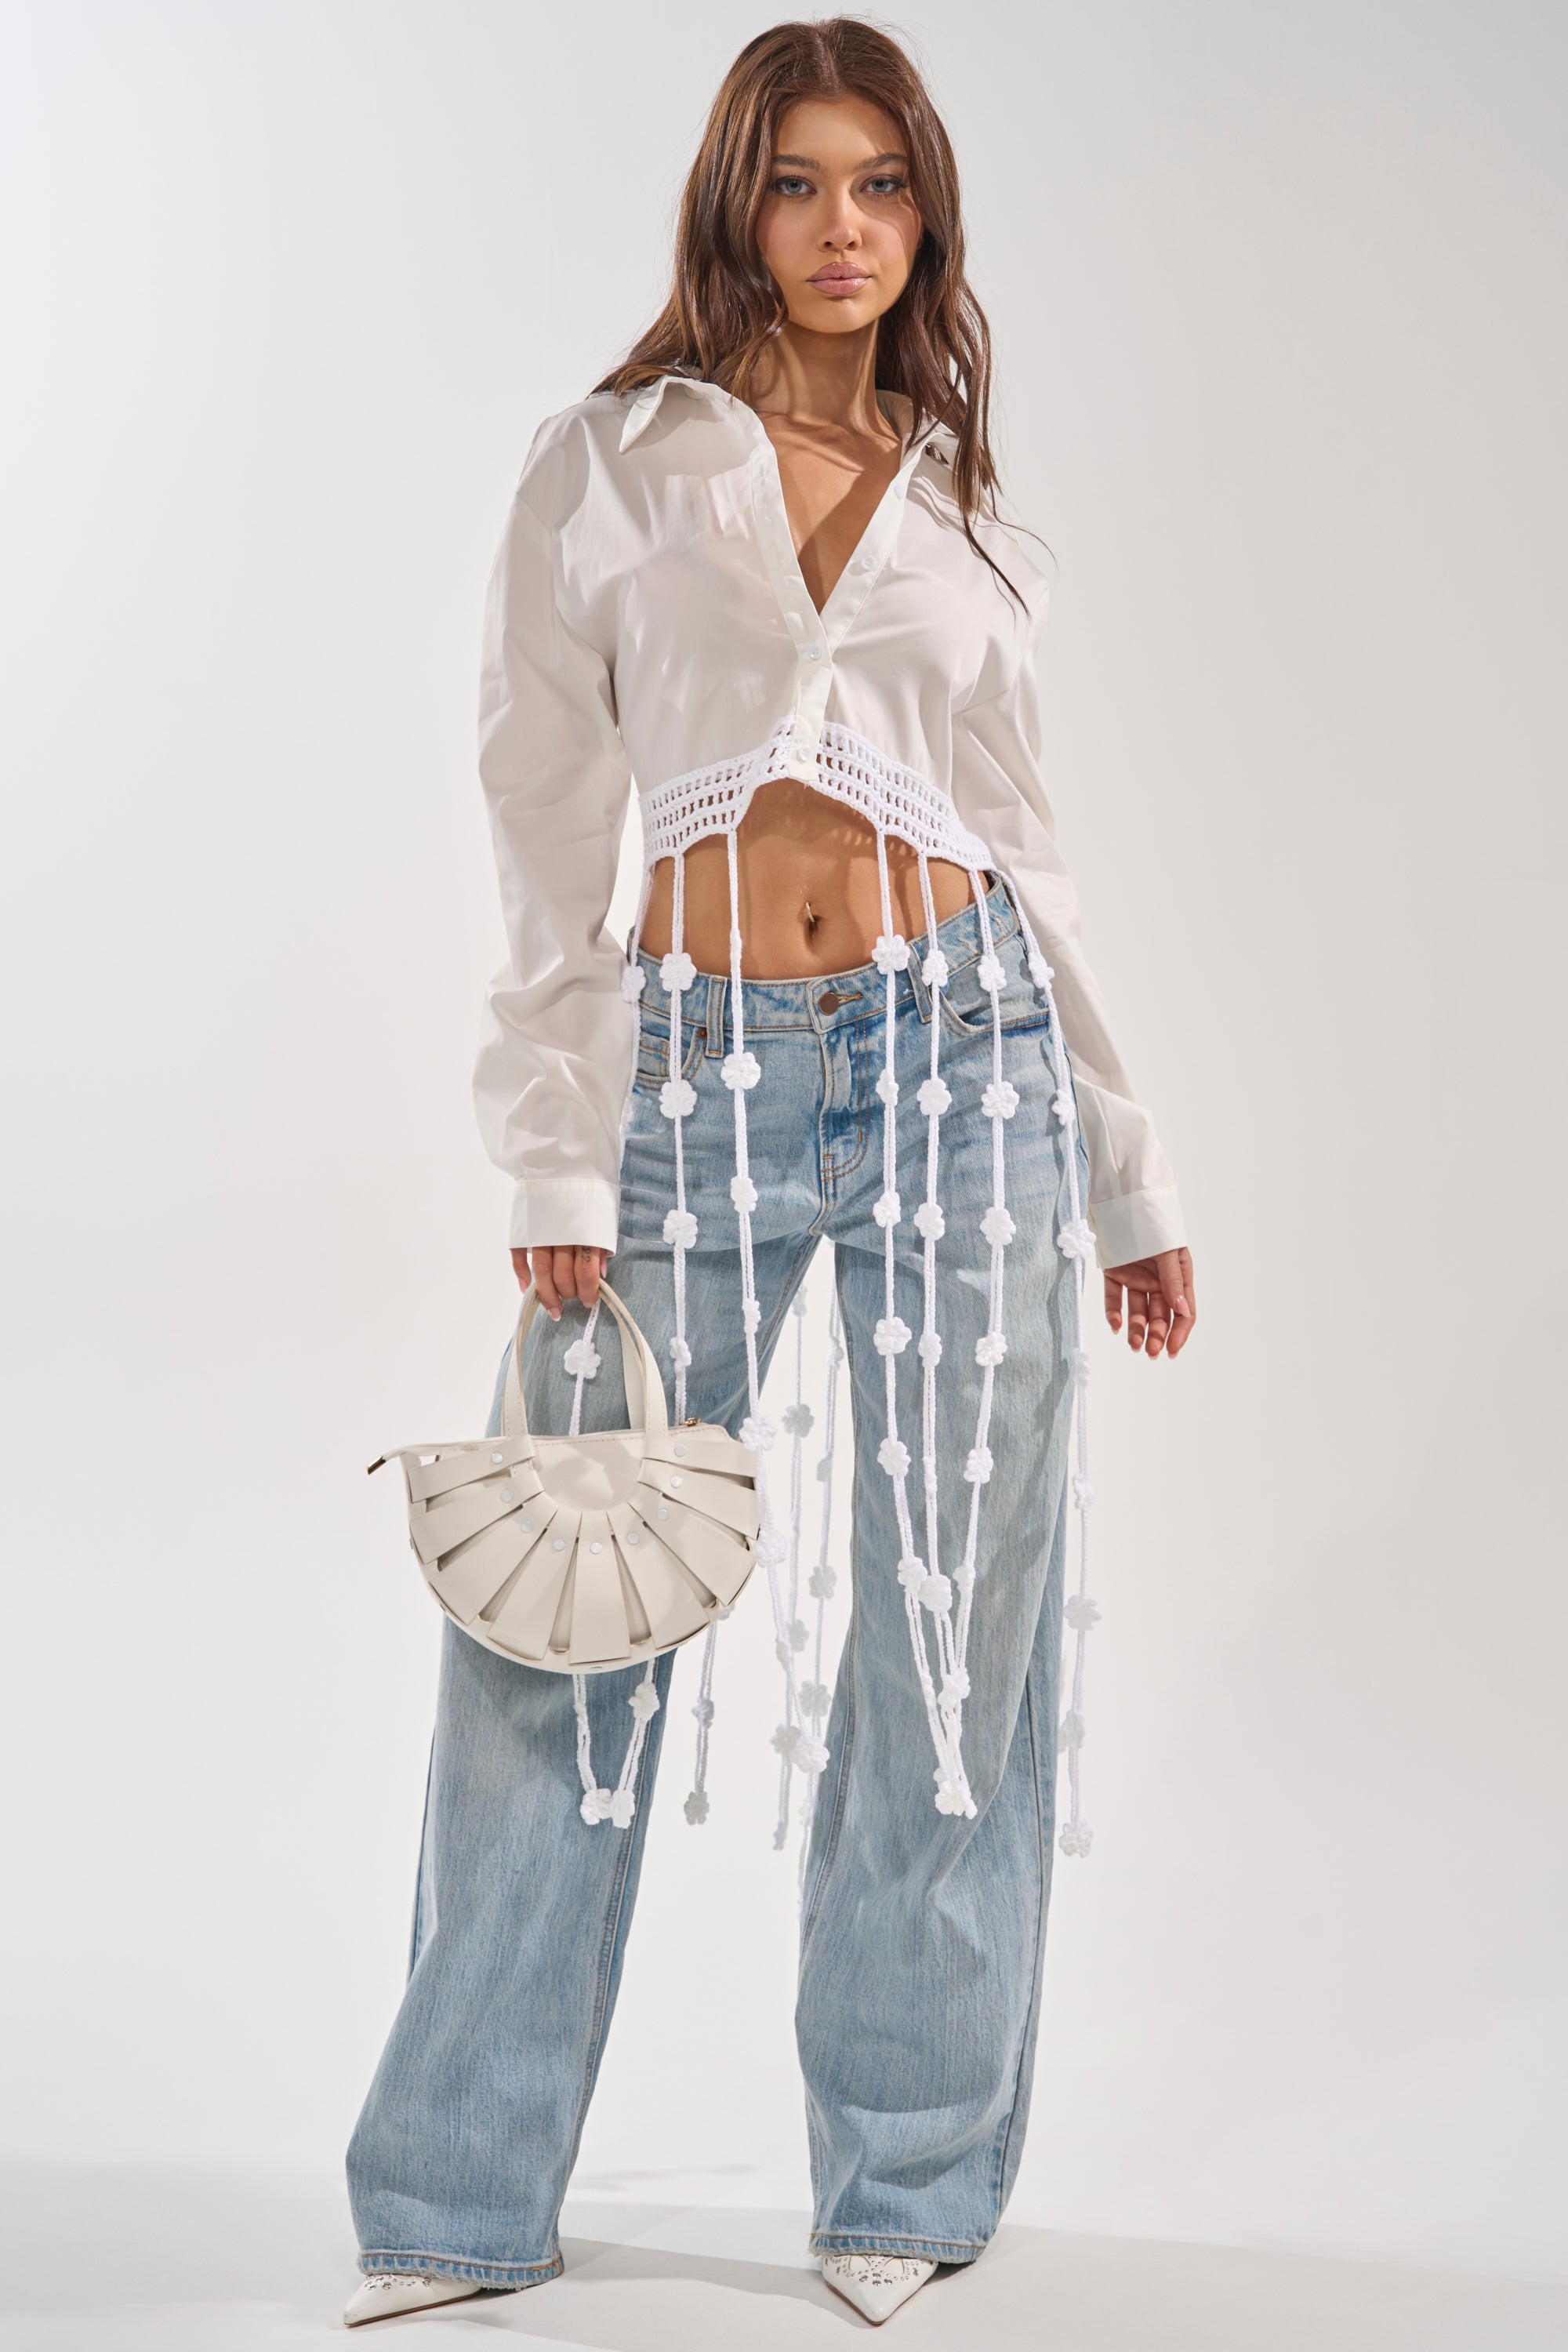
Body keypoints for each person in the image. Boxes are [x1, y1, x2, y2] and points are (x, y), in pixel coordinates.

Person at [345, 17, 1194, 2330]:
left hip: (971, 1063)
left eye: (885, 189)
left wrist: (1123, 1176)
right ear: (736, 203)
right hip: (687, 1074)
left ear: (928, 220)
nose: (844, 232)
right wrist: (557, 1140)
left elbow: (1030, 850)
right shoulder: (609, 468)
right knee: (558, 1614)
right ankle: (453, 2192)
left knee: (953, 1632)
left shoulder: (963, 503)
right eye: (802, 185)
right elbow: (539, 826)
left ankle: (906, 2181)